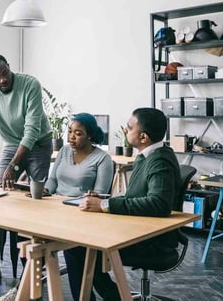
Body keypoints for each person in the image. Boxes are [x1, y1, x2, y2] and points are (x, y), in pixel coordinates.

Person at [74, 107, 181, 301]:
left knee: (80, 248)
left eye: (129, 127)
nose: (125, 130)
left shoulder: (159, 162)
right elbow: (136, 196)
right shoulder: (146, 156)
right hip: (138, 229)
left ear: (143, 137)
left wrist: (105, 206)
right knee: (79, 244)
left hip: (153, 241)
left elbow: (158, 204)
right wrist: (104, 200)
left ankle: (115, 297)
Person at [0, 53, 53, 281]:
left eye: (5, 74)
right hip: (11, 143)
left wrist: (12, 164)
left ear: (9, 68)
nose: (2, 80)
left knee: (35, 201)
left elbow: (31, 129)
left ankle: (34, 264)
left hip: (38, 143)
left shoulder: (30, 84)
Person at [45, 113, 115, 301]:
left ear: (90, 135)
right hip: (57, 211)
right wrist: (45, 190)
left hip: (84, 214)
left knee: (79, 258)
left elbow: (100, 193)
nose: (71, 137)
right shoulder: (64, 151)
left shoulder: (102, 159)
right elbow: (53, 179)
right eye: (70, 132)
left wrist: (91, 197)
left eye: (78, 133)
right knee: (25, 239)